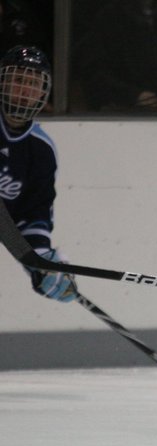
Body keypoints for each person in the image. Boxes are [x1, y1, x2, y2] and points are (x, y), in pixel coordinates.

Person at [0, 45, 77, 302]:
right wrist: (30, 257)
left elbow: (33, 213)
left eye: (34, 84)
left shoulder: (41, 150)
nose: (25, 91)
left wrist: (43, 261)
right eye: (19, 80)